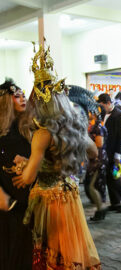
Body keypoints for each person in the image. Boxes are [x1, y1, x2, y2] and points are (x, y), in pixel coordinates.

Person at [11, 44, 101, 269]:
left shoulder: (42, 133)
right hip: (70, 194)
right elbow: (94, 152)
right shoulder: (75, 125)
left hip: (50, 200)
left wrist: (22, 168)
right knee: (73, 248)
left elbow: (30, 177)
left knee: (54, 250)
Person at [0, 78, 33, 270]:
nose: (23, 99)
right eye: (17, 96)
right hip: (8, 205)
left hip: (27, 201)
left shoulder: (25, 128)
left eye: (23, 95)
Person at [97, 93, 121, 212]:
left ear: (108, 103)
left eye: (102, 106)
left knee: (115, 177)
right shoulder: (103, 114)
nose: (101, 109)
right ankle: (115, 202)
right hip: (105, 151)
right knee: (109, 177)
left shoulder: (120, 115)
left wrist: (117, 155)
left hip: (115, 152)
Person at [87, 104, 108, 221]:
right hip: (95, 160)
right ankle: (100, 209)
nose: (89, 113)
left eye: (91, 112)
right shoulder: (95, 126)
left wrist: (87, 142)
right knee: (93, 186)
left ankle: (101, 209)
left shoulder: (98, 128)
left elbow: (99, 144)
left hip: (98, 160)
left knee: (92, 186)